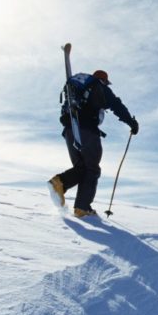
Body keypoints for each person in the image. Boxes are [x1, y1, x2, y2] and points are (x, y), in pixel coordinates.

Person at [49, 68, 139, 218]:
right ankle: (81, 206)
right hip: (87, 131)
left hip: (70, 131)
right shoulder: (99, 87)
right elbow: (117, 105)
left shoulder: (76, 88)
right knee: (92, 169)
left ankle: (62, 186)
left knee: (82, 168)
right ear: (103, 80)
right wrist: (131, 122)